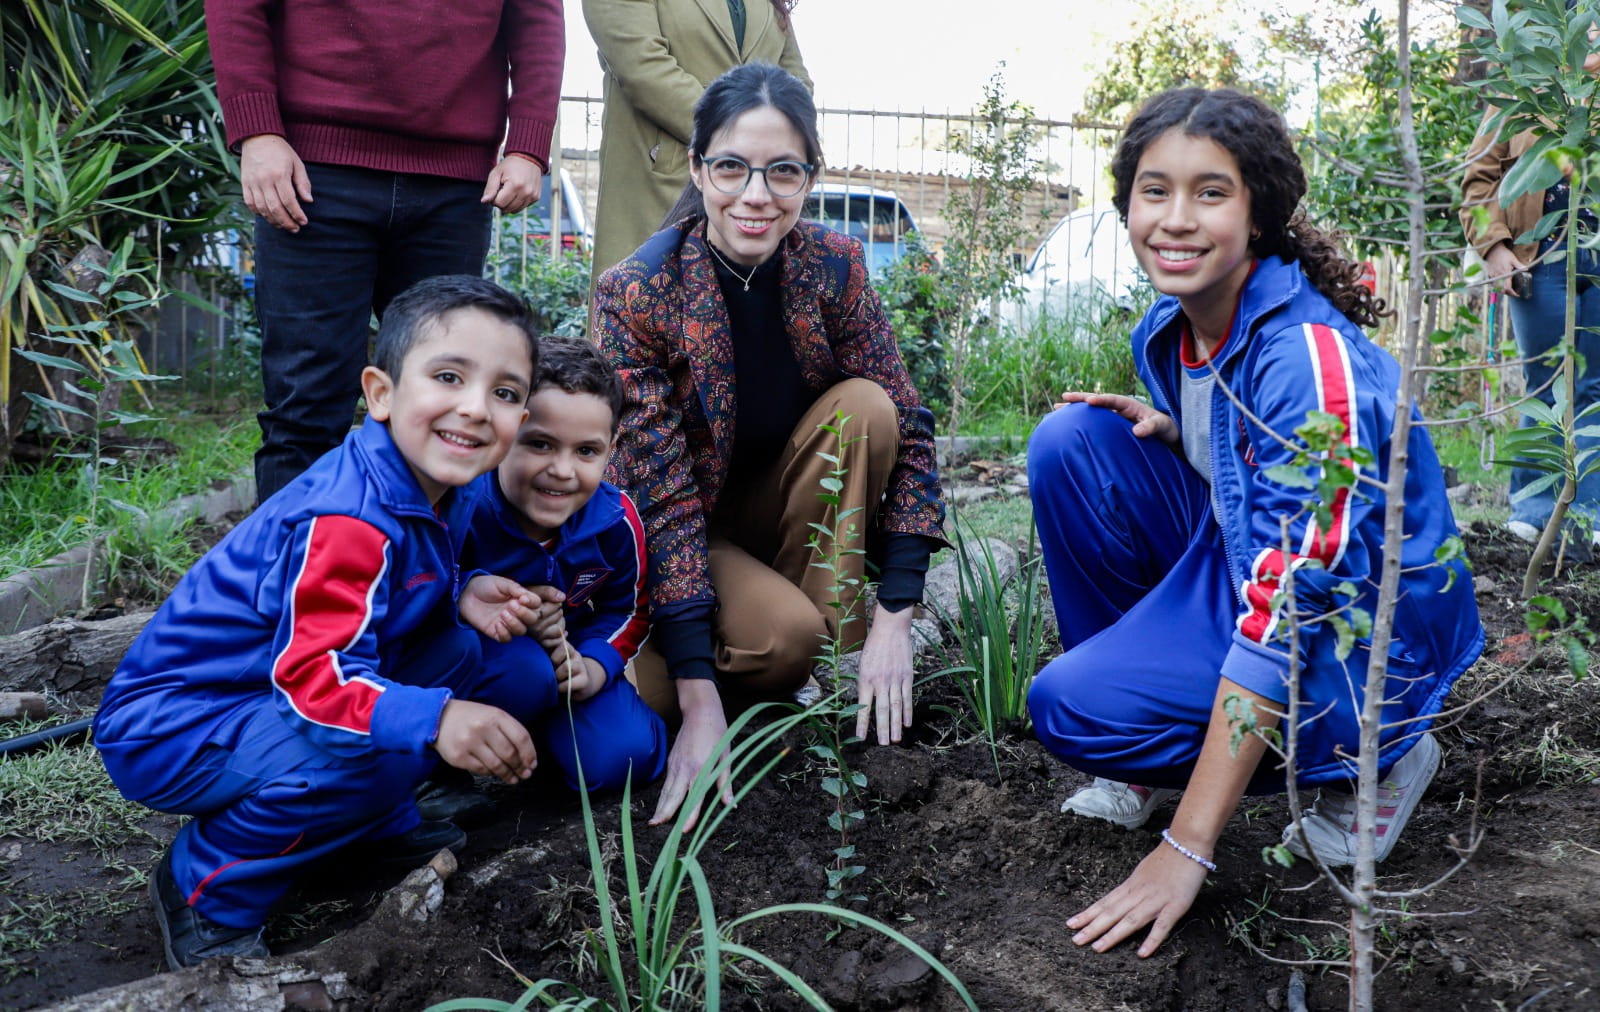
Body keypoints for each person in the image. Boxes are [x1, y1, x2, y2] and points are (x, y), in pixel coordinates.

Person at [1024, 88, 1484, 958]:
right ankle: (1145, 761)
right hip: (1249, 567)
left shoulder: (1307, 364)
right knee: (1073, 444)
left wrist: (1187, 848)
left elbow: (1292, 605)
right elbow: (1241, 480)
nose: (1175, 219)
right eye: (1154, 190)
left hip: (1362, 630)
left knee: (1072, 709)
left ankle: (1376, 757)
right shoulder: (1173, 326)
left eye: (1210, 193)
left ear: (1260, 214)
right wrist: (1177, 432)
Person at [93, 276, 549, 969]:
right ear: (381, 392)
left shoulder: (434, 483)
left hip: (264, 691)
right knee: (370, 741)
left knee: (452, 653)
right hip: (171, 725)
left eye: (506, 392)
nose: (475, 408)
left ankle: (372, 824)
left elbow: (379, 600)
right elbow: (313, 681)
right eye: (449, 376)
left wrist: (460, 589)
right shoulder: (349, 519)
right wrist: (438, 721)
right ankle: (204, 889)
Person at [591, 63, 945, 829]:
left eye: (783, 171)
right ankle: (749, 662)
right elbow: (659, 496)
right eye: (732, 168)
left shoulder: (835, 267)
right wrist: (693, 689)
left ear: (809, 175)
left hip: (782, 511)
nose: (757, 195)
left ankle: (814, 665)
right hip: (685, 535)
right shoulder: (640, 293)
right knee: (771, 647)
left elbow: (910, 430)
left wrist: (895, 616)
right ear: (697, 167)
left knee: (868, 408)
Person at [206, 0, 565, 500]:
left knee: (448, 405)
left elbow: (538, 17)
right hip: (312, 171)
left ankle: (429, 576)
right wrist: (259, 132)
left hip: (454, 184)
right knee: (306, 408)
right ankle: (298, 575)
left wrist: (528, 144)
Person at [415, 337, 668, 822]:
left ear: (612, 449)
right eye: (540, 444)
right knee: (525, 675)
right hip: (477, 664)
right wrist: (463, 592)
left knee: (626, 757)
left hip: (562, 666)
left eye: (587, 451)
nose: (562, 471)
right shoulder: (458, 502)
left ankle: (543, 755)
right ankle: (429, 770)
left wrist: (594, 665)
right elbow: (404, 590)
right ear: (507, 429)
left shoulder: (615, 521)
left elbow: (628, 609)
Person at [1460, 73, 1600, 547]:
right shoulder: (1519, 90)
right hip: (1538, 258)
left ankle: (1589, 519)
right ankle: (1533, 512)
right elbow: (1478, 181)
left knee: (1595, 388)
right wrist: (1495, 249)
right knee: (1544, 384)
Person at [581, 0, 811, 282]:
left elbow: (795, 82)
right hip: (661, 185)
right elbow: (644, 69)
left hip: (758, 204)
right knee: (644, 305)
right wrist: (743, 141)